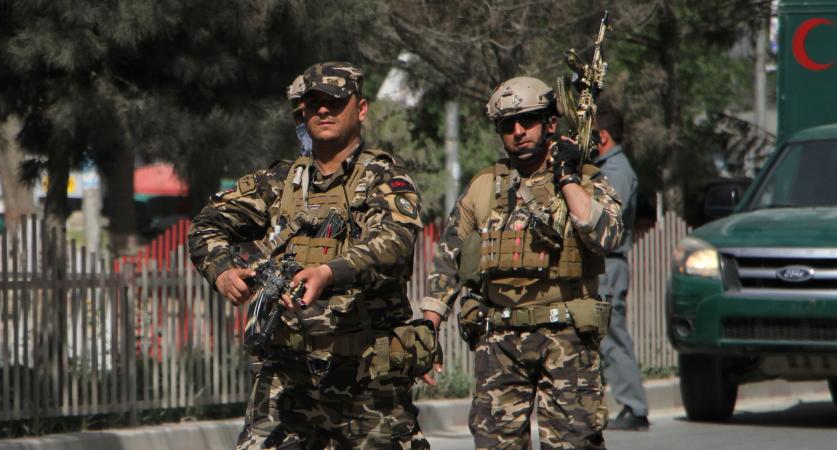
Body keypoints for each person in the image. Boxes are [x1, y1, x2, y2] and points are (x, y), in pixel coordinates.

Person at [188, 62, 432, 449]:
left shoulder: (384, 179)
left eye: (335, 102)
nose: (323, 110)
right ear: (302, 111)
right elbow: (206, 225)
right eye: (313, 102)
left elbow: (394, 241)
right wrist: (222, 271)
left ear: (361, 109)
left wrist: (328, 272)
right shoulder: (278, 183)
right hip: (288, 374)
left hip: (367, 376)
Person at [421, 76, 624, 449]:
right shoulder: (484, 186)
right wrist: (429, 325)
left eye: (528, 120)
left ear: (550, 123)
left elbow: (607, 236)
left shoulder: (584, 179)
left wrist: (567, 177)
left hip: (566, 339)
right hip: (499, 340)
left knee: (573, 443)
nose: (518, 132)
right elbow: (448, 259)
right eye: (507, 125)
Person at [593, 107, 649, 431]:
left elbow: (605, 219)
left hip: (609, 264)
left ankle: (634, 407)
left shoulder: (616, 171)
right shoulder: (603, 168)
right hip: (601, 266)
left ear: (602, 136)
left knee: (612, 336)